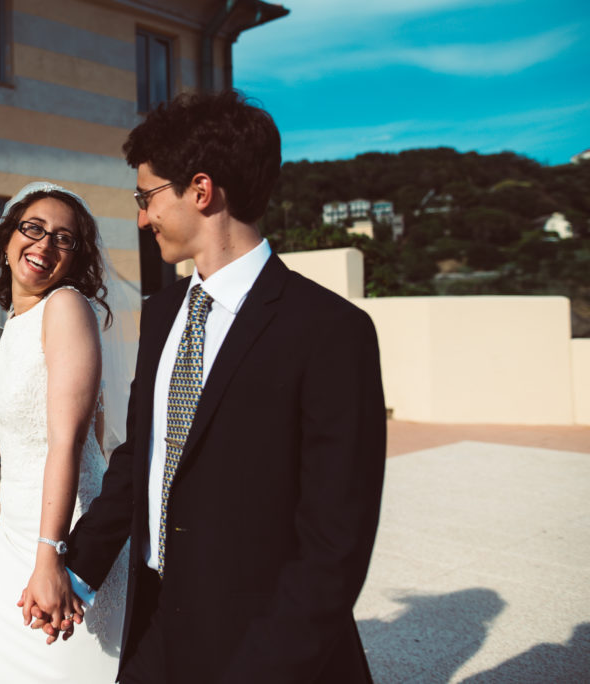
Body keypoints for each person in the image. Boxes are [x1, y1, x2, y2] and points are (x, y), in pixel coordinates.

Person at [25, 91, 387, 682]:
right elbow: (138, 459)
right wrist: (76, 570)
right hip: (151, 630)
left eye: (146, 198)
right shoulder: (164, 313)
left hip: (260, 646)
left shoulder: (331, 332)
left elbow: (334, 546)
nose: (142, 218)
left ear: (200, 190)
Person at [0, 182, 129, 683]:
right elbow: (27, 433)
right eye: (34, 228)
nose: (45, 245)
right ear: (8, 238)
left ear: (75, 257)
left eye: (64, 239)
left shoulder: (66, 307)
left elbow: (68, 441)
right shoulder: (16, 325)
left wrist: (53, 558)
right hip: (14, 532)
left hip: (63, 533)